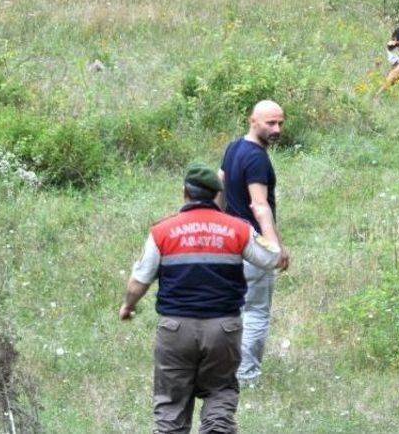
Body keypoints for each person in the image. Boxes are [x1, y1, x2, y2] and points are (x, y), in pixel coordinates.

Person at [119, 162, 281, 434]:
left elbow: (140, 280)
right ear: (218, 194)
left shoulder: (162, 231)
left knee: (171, 407)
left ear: (185, 192)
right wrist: (266, 222)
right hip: (224, 329)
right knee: (220, 395)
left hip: (175, 329)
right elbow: (271, 258)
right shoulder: (238, 229)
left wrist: (127, 306)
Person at [219, 100, 289, 384]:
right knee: (256, 311)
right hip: (251, 244)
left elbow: (220, 184)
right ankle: (246, 376)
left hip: (228, 242)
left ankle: (222, 370)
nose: (277, 129)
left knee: (231, 309)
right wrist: (274, 248)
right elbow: (259, 205)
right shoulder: (257, 157)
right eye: (270, 123)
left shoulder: (233, 147)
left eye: (280, 123)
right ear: (252, 121)